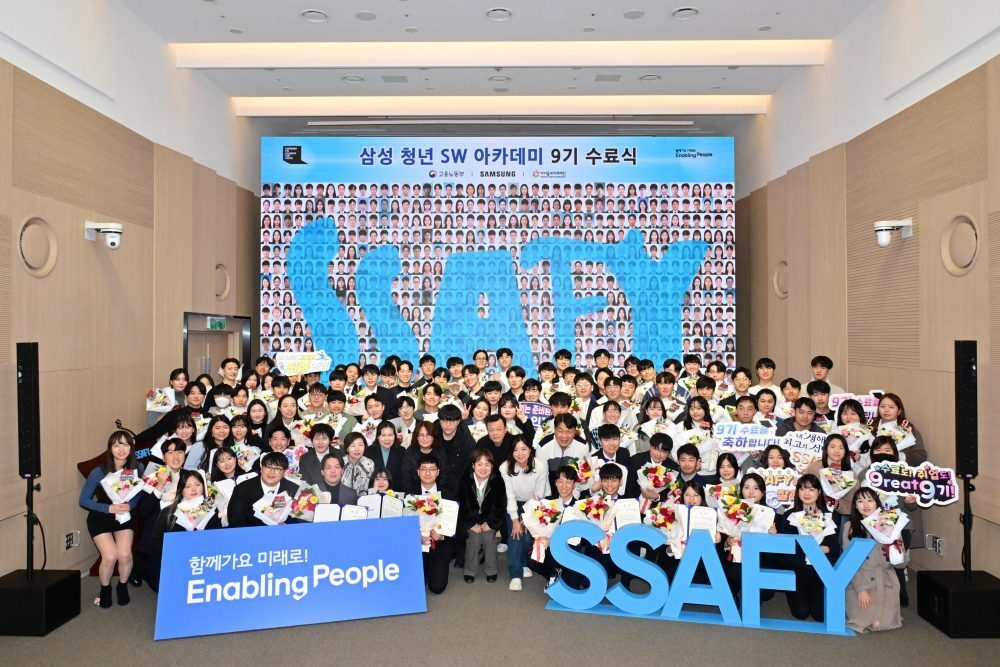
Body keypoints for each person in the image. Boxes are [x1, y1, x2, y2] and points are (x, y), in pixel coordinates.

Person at [78, 431, 142, 608]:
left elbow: (138, 494)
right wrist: (107, 508)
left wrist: (131, 505)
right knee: (109, 556)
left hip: (124, 516)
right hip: (101, 516)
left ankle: (122, 586)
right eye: (116, 445)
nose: (121, 449)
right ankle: (105, 589)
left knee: (125, 555)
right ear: (110, 449)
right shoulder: (99, 471)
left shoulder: (138, 467)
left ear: (131, 447)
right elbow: (83, 500)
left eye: (125, 444)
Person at [775, 474, 841, 621]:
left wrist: (826, 549)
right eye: (803, 489)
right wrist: (807, 552)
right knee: (801, 612)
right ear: (798, 491)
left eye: (811, 489)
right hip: (798, 570)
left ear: (819, 492)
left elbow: (835, 547)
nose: (807, 493)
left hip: (822, 571)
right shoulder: (789, 515)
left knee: (820, 615)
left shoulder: (830, 515)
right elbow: (786, 550)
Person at [147, 469, 222, 591]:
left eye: (197, 484)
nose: (193, 489)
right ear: (181, 490)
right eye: (188, 486)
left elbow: (219, 540)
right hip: (176, 562)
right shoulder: (170, 512)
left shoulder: (212, 508)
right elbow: (156, 542)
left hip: (205, 562)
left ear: (203, 487)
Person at [844, 487, 903, 633]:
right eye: (860, 501)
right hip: (860, 577)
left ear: (877, 502)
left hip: (886, 579)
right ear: (855, 506)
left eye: (870, 500)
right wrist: (861, 589)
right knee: (862, 621)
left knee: (882, 624)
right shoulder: (850, 526)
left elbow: (902, 564)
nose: (865, 505)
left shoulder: (889, 523)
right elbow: (848, 564)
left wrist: (896, 549)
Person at [501, 437, 548, 591]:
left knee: (528, 537)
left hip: (533, 504)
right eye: (516, 450)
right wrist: (515, 520)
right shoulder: (505, 467)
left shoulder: (539, 467)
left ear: (530, 450)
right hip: (514, 504)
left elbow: (539, 495)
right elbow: (509, 495)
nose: (520, 453)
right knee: (516, 535)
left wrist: (528, 518)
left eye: (523, 449)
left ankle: (523, 562)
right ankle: (515, 575)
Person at [458, 449, 506, 584]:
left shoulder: (497, 481)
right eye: (479, 464)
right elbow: (461, 505)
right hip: (470, 520)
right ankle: (469, 571)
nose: (483, 468)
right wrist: (471, 524)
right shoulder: (464, 480)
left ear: (492, 466)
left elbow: (500, 506)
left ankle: (491, 570)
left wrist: (490, 524)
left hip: (489, 520)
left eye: (487, 464)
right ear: (473, 465)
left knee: (488, 539)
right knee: (473, 538)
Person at [226, 451, 304, 527]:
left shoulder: (294, 490)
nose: (272, 472)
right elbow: (235, 520)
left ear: (284, 472)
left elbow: (300, 520)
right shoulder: (242, 489)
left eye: (277, 468)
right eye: (268, 467)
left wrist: (286, 526)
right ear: (261, 468)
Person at [413, 454, 453, 595]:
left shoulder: (448, 493)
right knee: (415, 585)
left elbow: (454, 523)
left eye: (432, 469)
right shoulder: (409, 494)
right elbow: (403, 523)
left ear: (438, 472)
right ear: (418, 472)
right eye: (424, 469)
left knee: (437, 587)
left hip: (439, 544)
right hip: (416, 545)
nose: (428, 473)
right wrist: (417, 536)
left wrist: (442, 536)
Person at [342, 431, 376, 496]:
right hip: (343, 499)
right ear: (347, 448)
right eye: (353, 446)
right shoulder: (340, 463)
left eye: (360, 445)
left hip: (363, 500)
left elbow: (370, 487)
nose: (357, 449)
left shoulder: (369, 464)